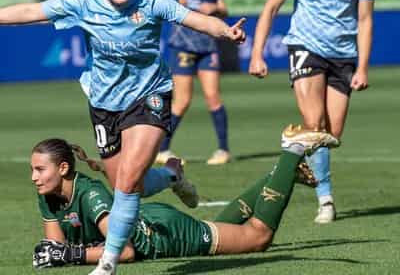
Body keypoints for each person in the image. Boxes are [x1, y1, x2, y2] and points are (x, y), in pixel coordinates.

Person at [0, 0, 245, 275]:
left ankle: (108, 262)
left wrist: (225, 31)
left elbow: (192, 18)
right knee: (125, 187)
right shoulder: (83, 0)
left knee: (128, 181)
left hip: (150, 95)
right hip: (105, 104)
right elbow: (30, 10)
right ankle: (172, 176)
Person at [31, 128, 339, 270]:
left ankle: (292, 149)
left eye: (39, 169)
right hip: (150, 220)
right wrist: (59, 254)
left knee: (257, 237)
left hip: (164, 236)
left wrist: (71, 256)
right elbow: (56, 248)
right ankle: (278, 175)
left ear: (63, 168)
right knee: (220, 230)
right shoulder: (49, 194)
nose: (34, 176)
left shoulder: (89, 193)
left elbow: (123, 251)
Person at [249, 0, 382, 224]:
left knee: (331, 135)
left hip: (343, 54)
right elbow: (271, 7)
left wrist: (362, 66)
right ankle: (326, 199)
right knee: (315, 123)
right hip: (306, 45)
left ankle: (298, 159)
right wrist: (257, 52)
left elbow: (365, 20)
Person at [143, 0, 232, 166]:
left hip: (208, 46)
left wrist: (216, 8)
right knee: (182, 101)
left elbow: (224, 8)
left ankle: (223, 150)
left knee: (213, 97)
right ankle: (162, 149)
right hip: (182, 45)